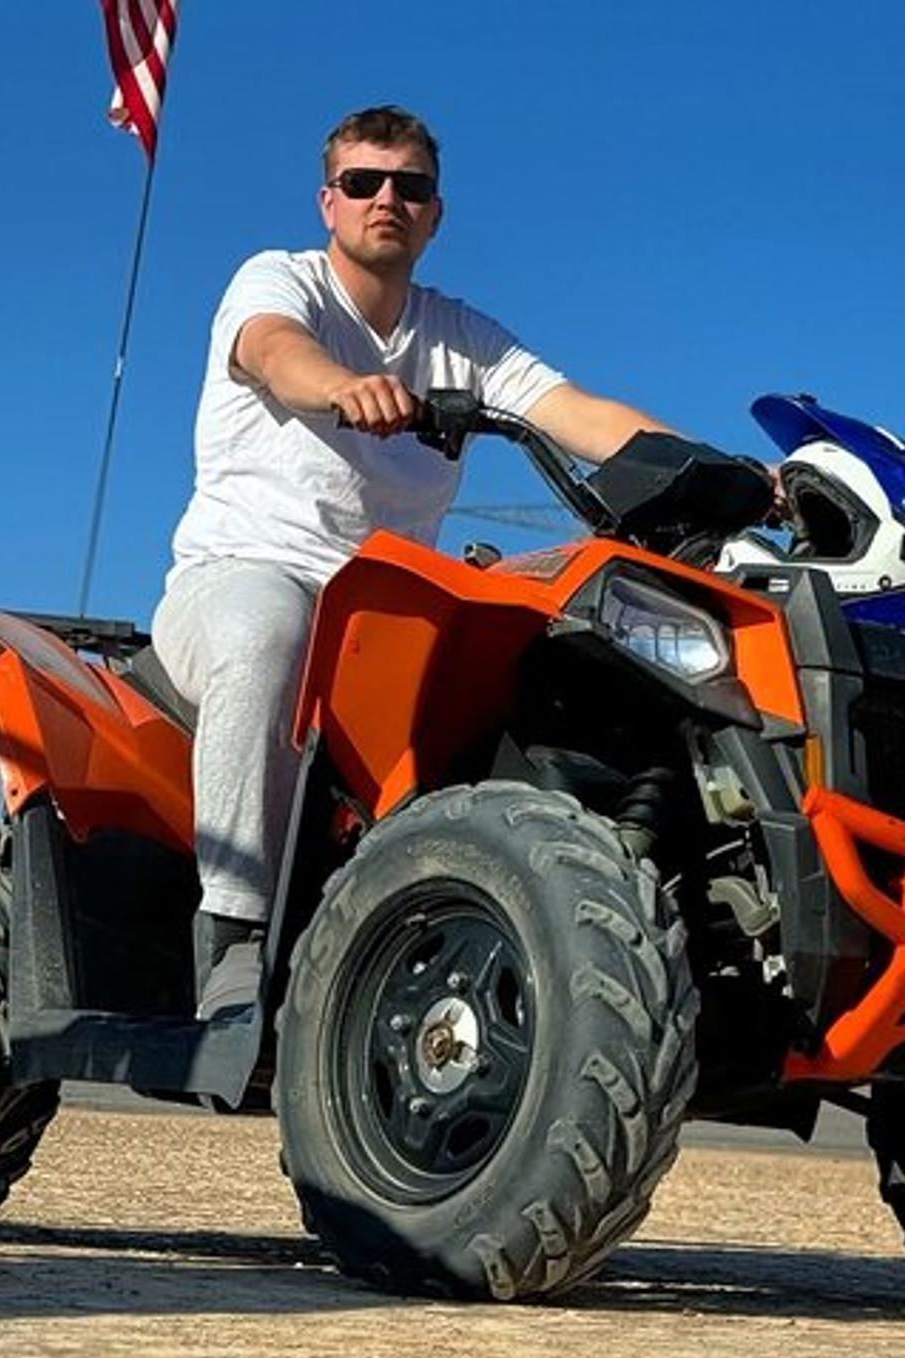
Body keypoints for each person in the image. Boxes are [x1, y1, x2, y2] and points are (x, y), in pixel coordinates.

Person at [153, 105, 681, 1018]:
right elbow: (275, 353)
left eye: (410, 186)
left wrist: (719, 467)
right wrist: (341, 386)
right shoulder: (278, 281)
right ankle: (233, 938)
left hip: (381, 623)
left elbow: (580, 413)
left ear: (436, 213)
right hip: (237, 578)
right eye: (363, 183)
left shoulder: (460, 337)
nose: (385, 199)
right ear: (330, 202)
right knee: (266, 627)